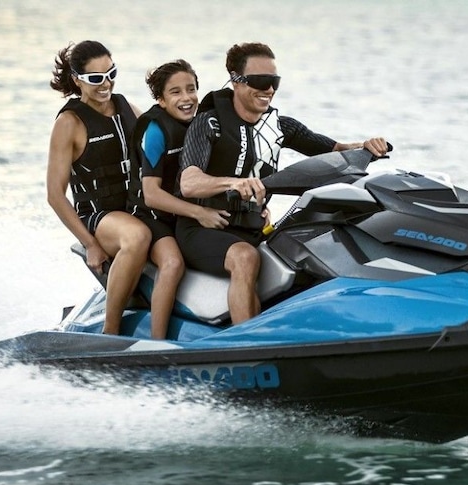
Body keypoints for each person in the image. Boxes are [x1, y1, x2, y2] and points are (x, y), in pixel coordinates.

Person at [176, 42, 388, 325]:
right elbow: (189, 183)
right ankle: (247, 341)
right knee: (245, 257)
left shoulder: (280, 127)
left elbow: (337, 151)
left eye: (274, 81)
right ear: (236, 81)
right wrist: (235, 183)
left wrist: (367, 147)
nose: (269, 89)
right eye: (260, 81)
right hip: (203, 229)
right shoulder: (208, 123)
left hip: (252, 227)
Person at [46, 40, 150, 336]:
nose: (106, 84)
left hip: (136, 208)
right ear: (77, 79)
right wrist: (90, 244)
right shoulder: (69, 122)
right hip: (98, 216)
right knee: (137, 236)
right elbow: (55, 195)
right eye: (95, 78)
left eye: (111, 73)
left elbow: (166, 142)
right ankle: (111, 330)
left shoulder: (126, 107)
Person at [129, 59, 227, 339]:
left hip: (183, 217)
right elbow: (151, 195)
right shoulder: (155, 130)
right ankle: (157, 343)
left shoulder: (203, 124)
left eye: (191, 89)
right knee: (173, 263)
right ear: (160, 100)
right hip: (152, 217)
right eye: (175, 92)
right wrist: (200, 214)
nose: (187, 98)